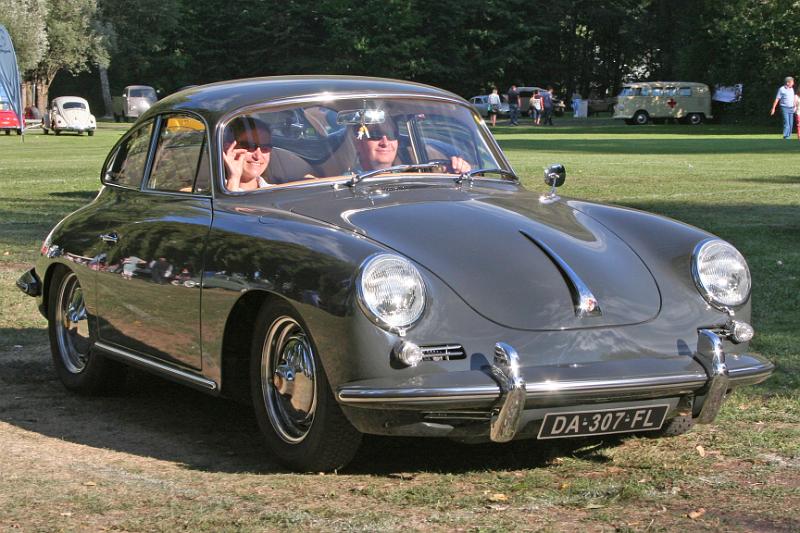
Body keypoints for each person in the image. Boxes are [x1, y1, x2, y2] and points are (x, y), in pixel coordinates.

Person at [353, 120, 471, 174]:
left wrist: (460, 168)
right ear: (358, 143)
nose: (385, 142)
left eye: (391, 135)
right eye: (375, 135)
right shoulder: (346, 180)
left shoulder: (414, 173)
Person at [222, 116, 273, 190]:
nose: (258, 156)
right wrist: (233, 179)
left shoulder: (278, 190)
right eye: (249, 146)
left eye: (265, 148)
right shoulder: (212, 191)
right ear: (228, 148)